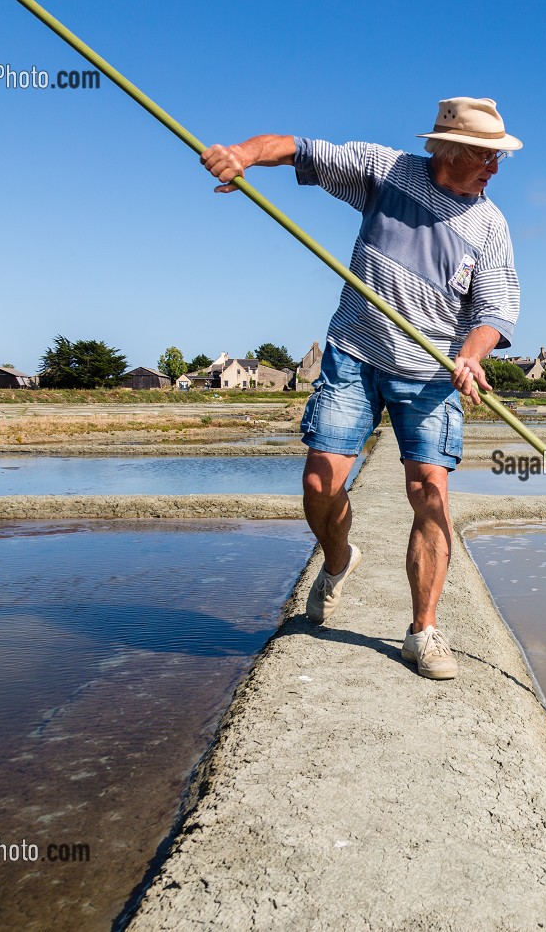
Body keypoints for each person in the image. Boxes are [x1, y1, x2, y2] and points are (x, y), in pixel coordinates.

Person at [200, 97, 522, 680]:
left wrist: (471, 357)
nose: (494, 166)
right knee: (322, 482)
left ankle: (423, 631)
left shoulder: (491, 226)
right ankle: (339, 559)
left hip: (430, 373)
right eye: (483, 153)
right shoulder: (386, 172)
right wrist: (241, 156)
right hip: (355, 353)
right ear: (445, 149)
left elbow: (495, 312)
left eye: (498, 155)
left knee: (430, 494)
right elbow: (296, 147)